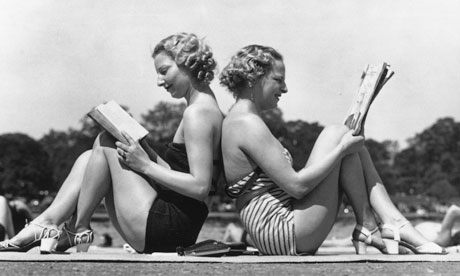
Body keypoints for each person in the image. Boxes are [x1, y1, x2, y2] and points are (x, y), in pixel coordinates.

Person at [0, 32, 223, 254]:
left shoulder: (198, 114)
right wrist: (145, 151)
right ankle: (56, 223)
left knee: (106, 142)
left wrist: (145, 165)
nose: (159, 81)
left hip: (168, 228)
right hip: (173, 224)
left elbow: (200, 187)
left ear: (187, 63)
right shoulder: (205, 107)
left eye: (164, 71)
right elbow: (183, 173)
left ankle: (75, 227)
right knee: (90, 158)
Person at [218, 44, 446, 255]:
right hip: (282, 232)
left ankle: (382, 224)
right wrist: (341, 150)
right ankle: (385, 224)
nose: (285, 88)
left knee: (343, 139)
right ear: (253, 79)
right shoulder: (246, 123)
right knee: (338, 138)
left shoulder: (241, 119)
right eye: (278, 80)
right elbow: (297, 186)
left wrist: (345, 147)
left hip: (279, 227)